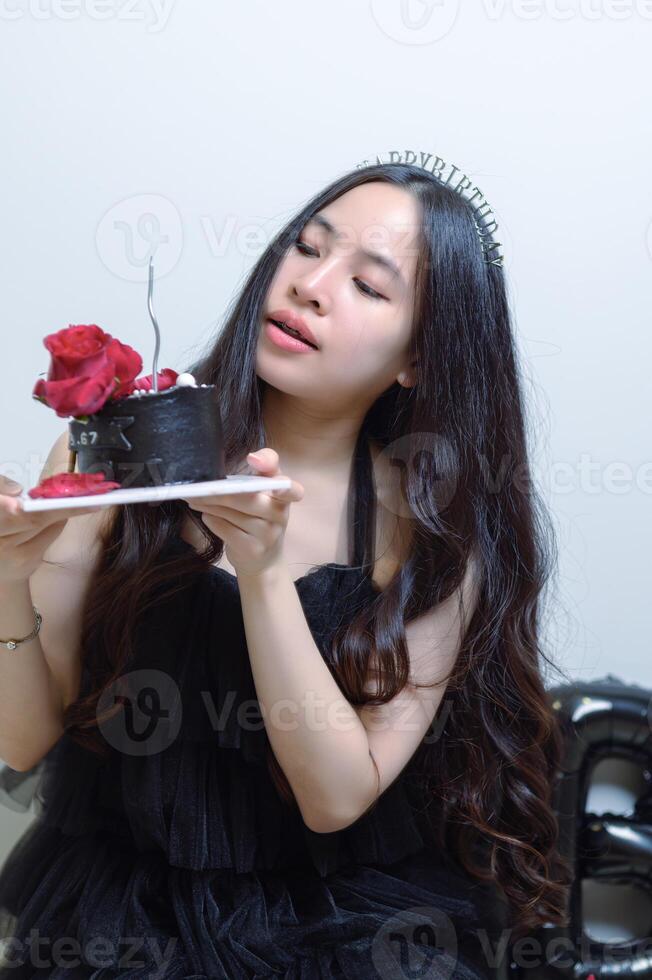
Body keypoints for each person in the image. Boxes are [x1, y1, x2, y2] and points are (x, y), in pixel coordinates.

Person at [0, 159, 573, 978]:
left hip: (345, 931)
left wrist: (264, 574)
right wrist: (6, 581)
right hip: (118, 918)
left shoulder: (436, 533)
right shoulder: (121, 451)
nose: (311, 285)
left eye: (371, 287)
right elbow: (24, 737)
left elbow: (337, 797)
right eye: (307, 248)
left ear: (419, 357)